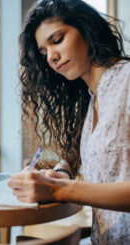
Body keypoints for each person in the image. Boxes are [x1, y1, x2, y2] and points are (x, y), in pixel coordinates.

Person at [7, 0, 130, 244]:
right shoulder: (93, 98)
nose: (52, 57)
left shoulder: (126, 80)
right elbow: (91, 156)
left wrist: (57, 190)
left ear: (86, 29)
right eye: (44, 53)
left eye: (58, 39)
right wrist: (62, 173)